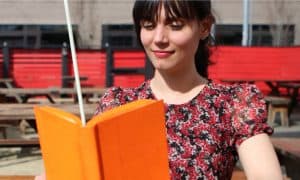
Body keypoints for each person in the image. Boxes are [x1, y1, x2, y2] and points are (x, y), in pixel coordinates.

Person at [36, 0, 282, 179]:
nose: (159, 38)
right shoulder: (118, 103)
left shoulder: (234, 103)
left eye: (175, 25)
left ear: (205, 26)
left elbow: (266, 175)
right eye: (149, 25)